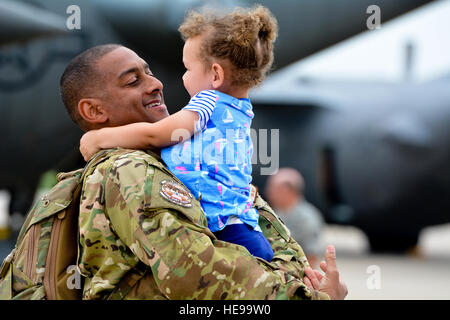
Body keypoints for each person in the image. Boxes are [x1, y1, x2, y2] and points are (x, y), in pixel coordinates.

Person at [59, 42, 347, 299]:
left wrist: (305, 285)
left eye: (149, 73)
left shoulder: (188, 163)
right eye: (133, 80)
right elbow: (196, 274)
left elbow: (266, 239)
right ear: (94, 111)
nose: (156, 84)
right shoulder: (128, 169)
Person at [80, 6, 277, 262]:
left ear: (215, 74)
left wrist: (100, 138)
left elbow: (156, 134)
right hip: (239, 224)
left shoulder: (208, 102)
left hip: (222, 228)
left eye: (187, 69)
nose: (183, 77)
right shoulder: (239, 109)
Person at [265, 168, 324, 269]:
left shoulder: (307, 218)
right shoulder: (275, 212)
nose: (268, 192)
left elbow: (311, 257)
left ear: (287, 190)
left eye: (273, 188)